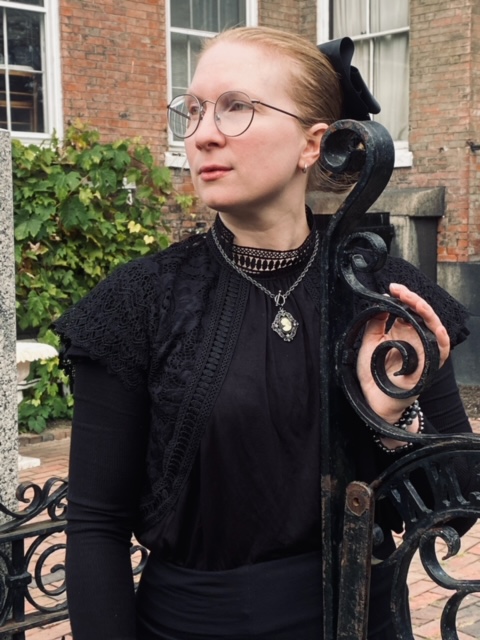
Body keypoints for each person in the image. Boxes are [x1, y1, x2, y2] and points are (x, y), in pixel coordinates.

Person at [54, 26, 474, 640]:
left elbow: (455, 511)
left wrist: (393, 423)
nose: (203, 133)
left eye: (236, 107)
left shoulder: (384, 293)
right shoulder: (138, 303)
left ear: (314, 144)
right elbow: (97, 526)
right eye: (194, 110)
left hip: (366, 623)